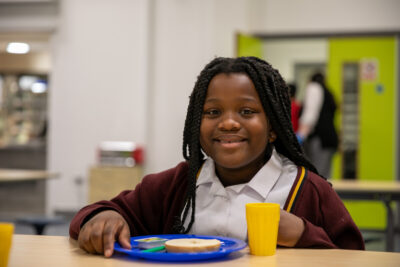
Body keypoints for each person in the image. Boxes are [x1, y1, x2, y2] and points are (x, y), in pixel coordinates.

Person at [69, 57, 364, 257]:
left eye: (246, 112)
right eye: (212, 112)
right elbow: (101, 212)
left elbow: (354, 258)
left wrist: (303, 234)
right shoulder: (180, 184)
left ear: (273, 128)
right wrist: (103, 217)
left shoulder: (308, 190)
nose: (228, 123)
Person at [297, 73, 338, 178]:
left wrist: (301, 135)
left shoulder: (314, 88)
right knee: (325, 175)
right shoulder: (328, 92)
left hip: (319, 139)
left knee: (317, 176)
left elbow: (310, 115)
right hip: (329, 139)